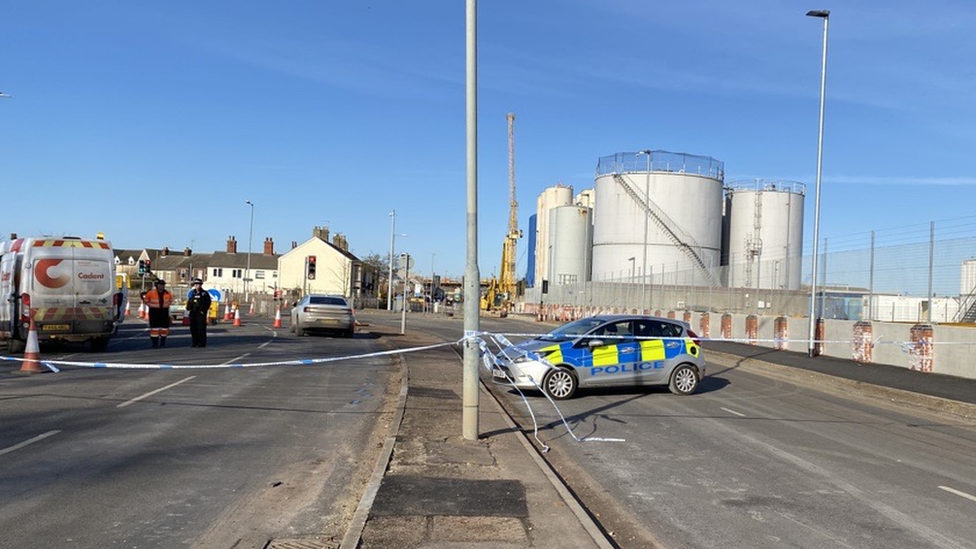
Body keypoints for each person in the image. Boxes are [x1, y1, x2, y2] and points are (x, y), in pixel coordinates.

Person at [142, 279, 173, 347]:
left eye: (163, 285)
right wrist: (151, 305)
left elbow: (171, 300)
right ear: (157, 285)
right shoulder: (151, 292)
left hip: (164, 311)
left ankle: (163, 340)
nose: (162, 286)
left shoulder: (167, 293)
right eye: (160, 285)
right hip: (154, 311)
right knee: (154, 327)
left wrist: (167, 305)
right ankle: (154, 342)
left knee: (164, 327)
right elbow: (146, 300)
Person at [185, 278, 213, 347]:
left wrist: (203, 311)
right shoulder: (192, 292)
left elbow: (208, 303)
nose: (197, 286)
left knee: (201, 328)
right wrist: (188, 308)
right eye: (196, 284)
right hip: (193, 313)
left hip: (200, 313)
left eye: (199, 284)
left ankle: (201, 343)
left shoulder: (204, 293)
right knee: (193, 328)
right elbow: (189, 301)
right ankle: (195, 342)